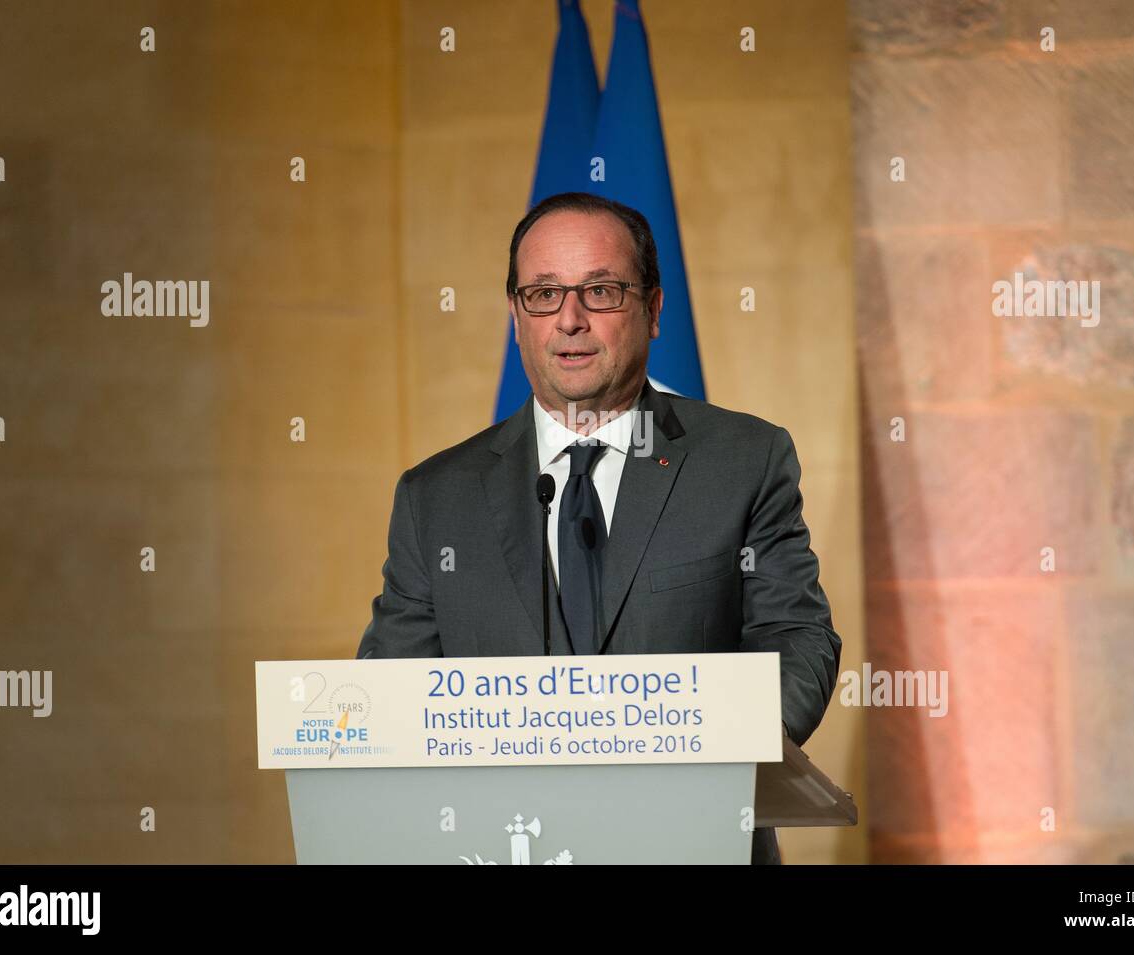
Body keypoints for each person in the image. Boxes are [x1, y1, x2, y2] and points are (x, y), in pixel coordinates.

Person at [356, 191, 842, 864]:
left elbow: (797, 638)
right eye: (544, 294)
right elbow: (394, 693)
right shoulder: (434, 498)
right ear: (516, 316)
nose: (571, 320)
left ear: (654, 308)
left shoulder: (742, 462)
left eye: (602, 291)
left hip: (696, 841)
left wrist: (718, 754)